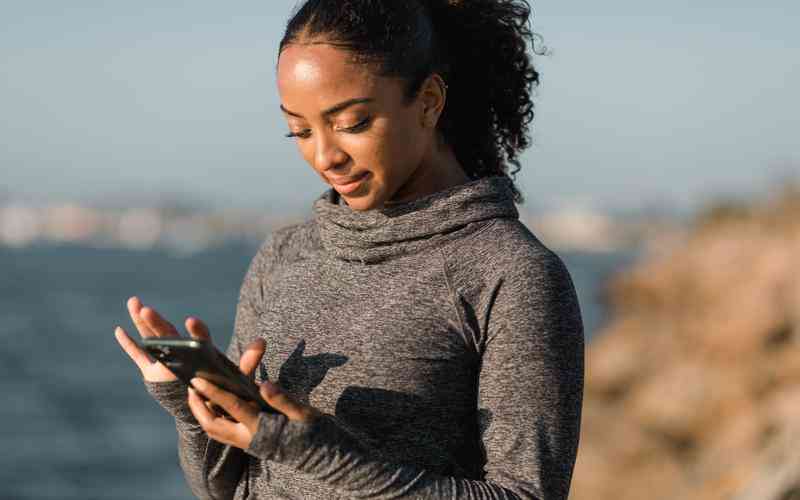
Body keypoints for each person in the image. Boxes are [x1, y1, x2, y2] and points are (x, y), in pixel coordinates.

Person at [114, 0, 585, 498]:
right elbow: (222, 487)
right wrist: (190, 404)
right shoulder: (283, 255)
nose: (324, 156)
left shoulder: (511, 274)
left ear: (428, 101)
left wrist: (321, 457)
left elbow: (526, 494)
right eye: (299, 129)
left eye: (353, 123)